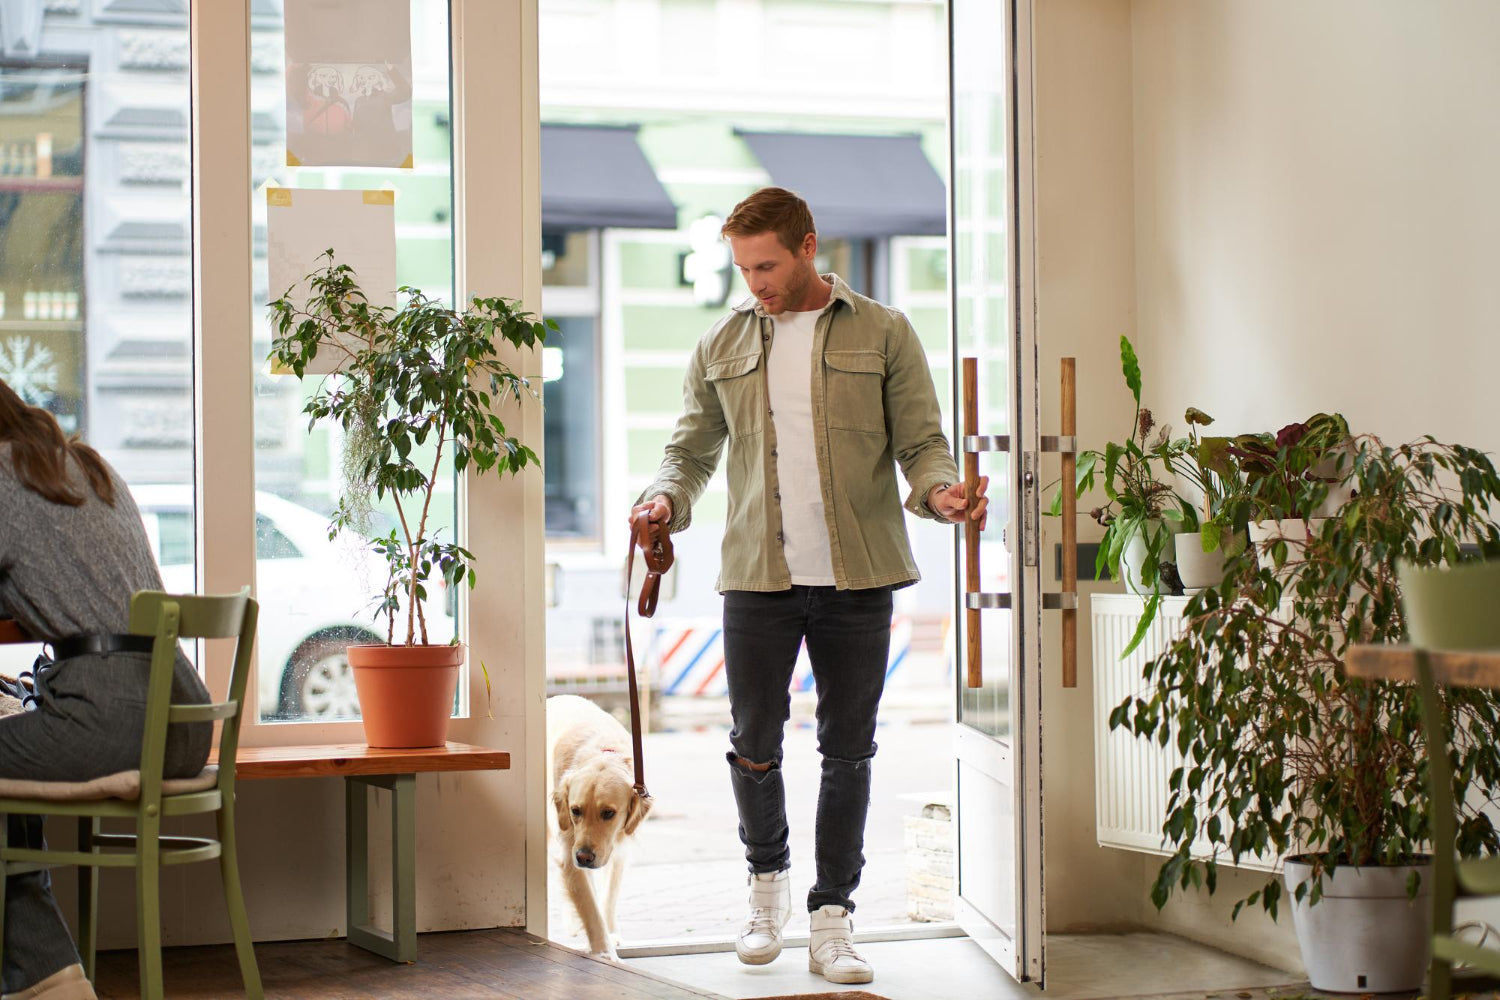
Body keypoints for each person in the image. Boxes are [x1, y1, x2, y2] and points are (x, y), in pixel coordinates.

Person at [632, 187, 987, 986]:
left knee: (847, 751)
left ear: (807, 247)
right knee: (754, 747)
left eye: (767, 265)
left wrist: (943, 494)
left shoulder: (886, 331)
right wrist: (663, 500)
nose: (755, 282)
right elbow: (687, 454)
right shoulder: (720, 344)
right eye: (744, 268)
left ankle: (834, 917)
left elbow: (923, 442)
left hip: (857, 578)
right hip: (758, 578)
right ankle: (766, 890)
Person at [0, 379, 212, 1000]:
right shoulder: (91, 468)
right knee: (16, 746)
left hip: (110, 714)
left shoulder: (3, 474)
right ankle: (42, 973)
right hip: (183, 716)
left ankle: (42, 972)